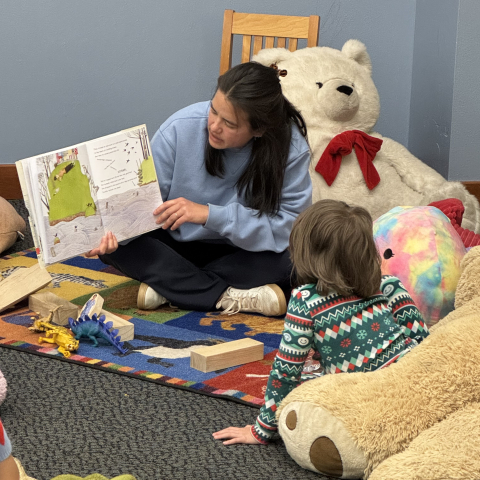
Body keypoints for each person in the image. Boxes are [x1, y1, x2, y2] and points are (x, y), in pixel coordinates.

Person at [86, 62, 312, 316]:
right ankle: (226, 296)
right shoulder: (180, 128)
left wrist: (209, 214)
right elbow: (137, 205)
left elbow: (293, 227)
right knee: (119, 249)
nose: (214, 125)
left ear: (259, 129)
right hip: (177, 245)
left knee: (297, 261)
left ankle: (173, 287)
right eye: (213, 111)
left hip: (242, 251)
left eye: (229, 123)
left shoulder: (291, 149)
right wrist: (112, 234)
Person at [213, 199, 429, 445]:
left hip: (363, 403)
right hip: (416, 389)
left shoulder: (306, 301)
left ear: (306, 254)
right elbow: (423, 344)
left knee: (303, 397)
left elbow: (286, 372)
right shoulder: (390, 285)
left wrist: (260, 431)